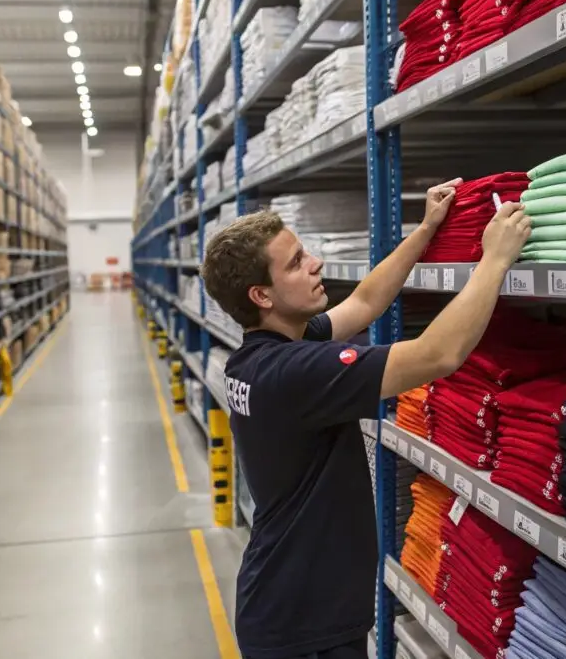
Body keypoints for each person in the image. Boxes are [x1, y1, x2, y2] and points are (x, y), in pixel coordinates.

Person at [200, 180, 530, 659]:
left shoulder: (267, 351)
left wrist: (425, 231)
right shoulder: (291, 373)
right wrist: (494, 261)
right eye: (295, 263)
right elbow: (437, 355)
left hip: (288, 602)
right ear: (261, 295)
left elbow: (364, 303)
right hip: (305, 626)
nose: (315, 264)